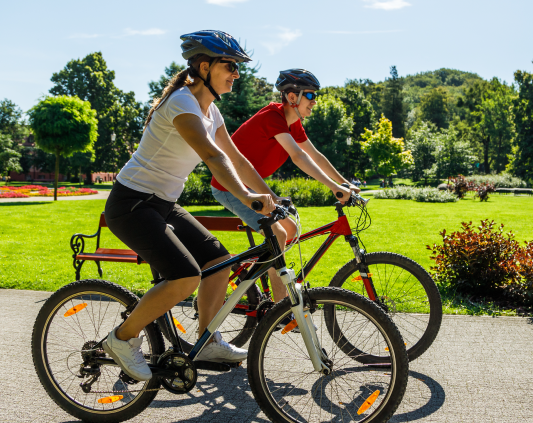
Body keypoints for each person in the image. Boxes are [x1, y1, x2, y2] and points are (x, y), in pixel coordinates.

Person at [102, 30, 279, 382]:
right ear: (204, 66)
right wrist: (246, 198)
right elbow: (212, 156)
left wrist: (269, 197)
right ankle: (121, 339)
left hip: (162, 203)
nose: (236, 74)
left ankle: (206, 338)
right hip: (131, 203)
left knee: (217, 261)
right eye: (230, 66)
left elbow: (237, 159)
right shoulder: (182, 104)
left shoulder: (210, 111)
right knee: (185, 277)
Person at [210, 69, 358, 307]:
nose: (314, 101)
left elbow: (315, 156)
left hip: (253, 186)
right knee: (278, 234)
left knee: (289, 230)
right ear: (292, 98)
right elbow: (298, 157)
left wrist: (343, 183)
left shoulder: (293, 123)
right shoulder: (273, 117)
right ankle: (281, 308)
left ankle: (265, 279)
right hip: (230, 187)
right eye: (310, 95)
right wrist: (333, 188)